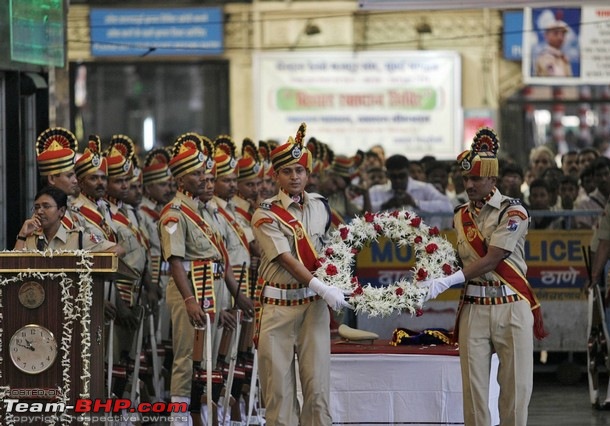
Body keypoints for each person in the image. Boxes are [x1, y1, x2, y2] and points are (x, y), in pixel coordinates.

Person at [419, 127, 547, 426]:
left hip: (511, 305)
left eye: (475, 178)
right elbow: (461, 258)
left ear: (493, 179)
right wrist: (432, 268)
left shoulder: (513, 211)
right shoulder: (460, 213)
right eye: (465, 179)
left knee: (515, 390)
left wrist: (448, 281)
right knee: (473, 391)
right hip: (474, 308)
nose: (469, 184)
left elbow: (493, 257)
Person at [251, 123, 350, 425]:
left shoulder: (321, 207)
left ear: (308, 174)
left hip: (313, 309)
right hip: (278, 309)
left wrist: (340, 281)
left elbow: (332, 250)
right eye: (287, 171)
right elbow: (285, 259)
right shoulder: (265, 214)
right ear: (276, 176)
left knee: (317, 392)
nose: (294, 177)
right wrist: (323, 287)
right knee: (279, 396)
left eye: (299, 171)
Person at [15, 185, 122, 254]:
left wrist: (86, 265)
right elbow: (14, 266)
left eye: (46, 206)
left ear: (61, 211)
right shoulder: (30, 239)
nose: (39, 211)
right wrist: (22, 235)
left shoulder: (78, 238)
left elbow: (118, 249)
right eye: (37, 207)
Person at [368, 154, 453, 229]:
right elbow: (360, 209)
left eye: (402, 176)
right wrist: (385, 205)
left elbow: (448, 206)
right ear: (387, 174)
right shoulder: (376, 191)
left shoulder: (424, 188)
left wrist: (415, 203)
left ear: (408, 172)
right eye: (394, 176)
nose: (398, 180)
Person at [534, 13, 572, 77]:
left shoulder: (562, 57)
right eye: (556, 33)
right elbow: (556, 77)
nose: (560, 38)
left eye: (563, 34)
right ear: (546, 35)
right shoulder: (545, 56)